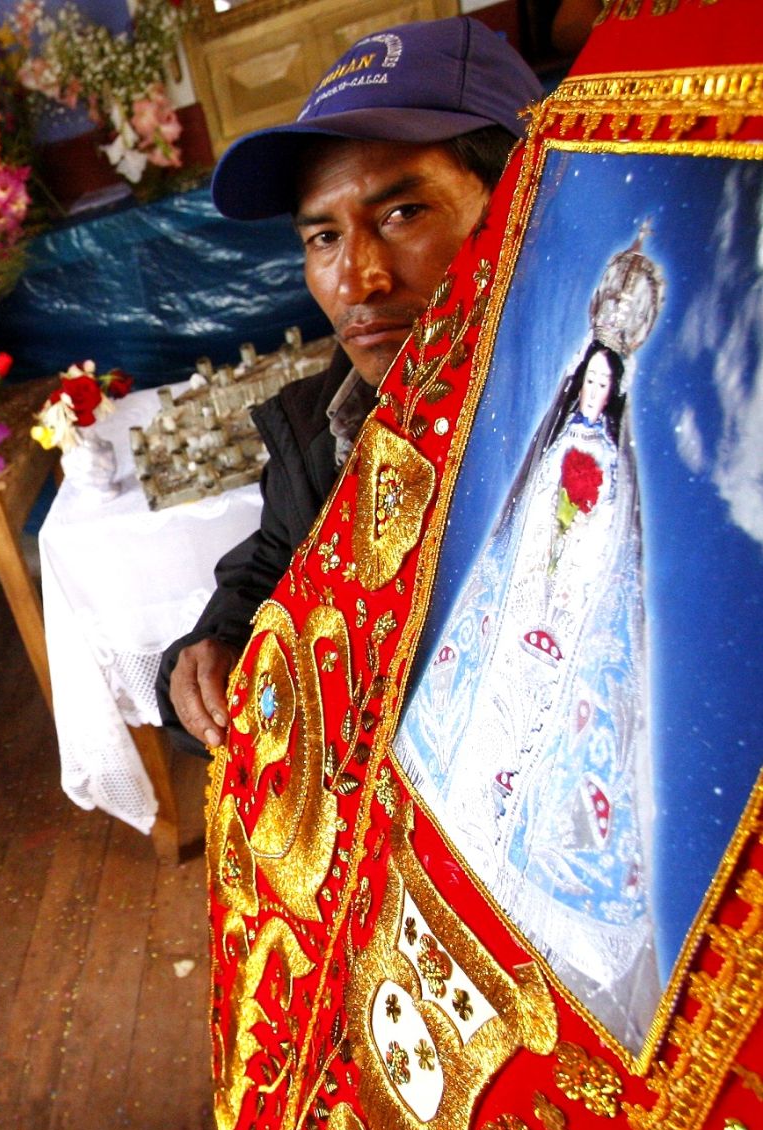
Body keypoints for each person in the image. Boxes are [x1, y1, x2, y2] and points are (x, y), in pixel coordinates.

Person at [160, 16, 545, 754]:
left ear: (521, 200)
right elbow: (272, 562)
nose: (355, 280)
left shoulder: (590, 423)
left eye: (402, 213)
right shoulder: (321, 427)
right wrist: (210, 646)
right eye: (323, 237)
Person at [394, 241, 662, 1049]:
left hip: (567, 624)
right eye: (588, 379)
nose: (593, 390)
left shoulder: (610, 468)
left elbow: (597, 551)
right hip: (520, 618)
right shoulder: (555, 456)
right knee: (489, 730)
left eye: (603, 385)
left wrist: (562, 601)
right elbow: (527, 537)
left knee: (554, 747)